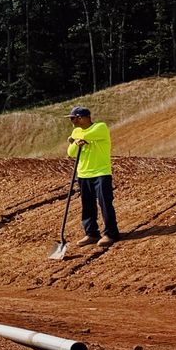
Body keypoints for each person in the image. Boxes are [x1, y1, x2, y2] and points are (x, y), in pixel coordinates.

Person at [66, 105, 119, 246]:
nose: (72, 121)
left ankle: (110, 233)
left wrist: (74, 139)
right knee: (87, 205)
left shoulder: (100, 127)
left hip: (101, 172)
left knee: (105, 204)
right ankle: (91, 233)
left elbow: (84, 136)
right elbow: (71, 152)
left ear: (83, 118)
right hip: (83, 173)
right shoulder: (76, 131)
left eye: (74, 118)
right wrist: (75, 142)